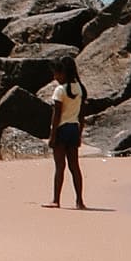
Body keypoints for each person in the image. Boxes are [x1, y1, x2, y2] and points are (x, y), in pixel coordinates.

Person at [38, 59, 90, 209]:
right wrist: (80, 134)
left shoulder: (60, 90)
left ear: (63, 73)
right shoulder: (80, 88)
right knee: (75, 167)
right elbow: (81, 115)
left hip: (61, 129)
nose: (55, 77)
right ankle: (79, 201)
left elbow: (56, 116)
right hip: (74, 129)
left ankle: (56, 200)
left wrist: (52, 135)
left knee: (60, 166)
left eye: (56, 73)